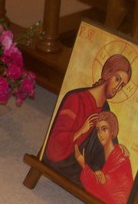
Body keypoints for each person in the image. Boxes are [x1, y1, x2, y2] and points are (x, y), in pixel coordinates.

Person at [43, 53, 131, 185]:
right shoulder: (76, 99)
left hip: (85, 168)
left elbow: (109, 145)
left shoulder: (105, 109)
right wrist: (81, 131)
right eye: (117, 79)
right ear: (108, 73)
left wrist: (120, 151)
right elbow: (53, 147)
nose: (117, 88)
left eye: (122, 85)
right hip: (64, 163)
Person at [75, 110, 134, 204]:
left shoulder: (120, 157)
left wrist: (84, 166)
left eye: (104, 129)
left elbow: (105, 186)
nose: (100, 134)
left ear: (112, 131)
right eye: (98, 130)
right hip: (108, 196)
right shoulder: (100, 153)